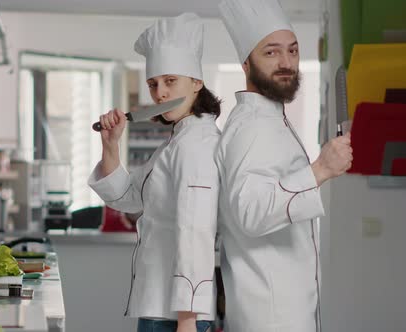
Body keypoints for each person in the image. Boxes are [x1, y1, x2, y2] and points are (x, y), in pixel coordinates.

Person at [216, 0, 353, 331]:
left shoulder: (268, 118)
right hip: (271, 316)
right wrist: (320, 169)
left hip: (280, 309)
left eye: (292, 51)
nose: (286, 62)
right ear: (246, 64)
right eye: (271, 52)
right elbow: (249, 211)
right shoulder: (252, 126)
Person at [88, 13, 222, 332]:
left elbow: (195, 231)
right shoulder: (177, 141)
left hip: (176, 314)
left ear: (197, 82)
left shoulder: (197, 145)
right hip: (161, 304)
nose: (160, 93)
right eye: (153, 84)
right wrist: (111, 145)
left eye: (170, 80)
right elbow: (129, 198)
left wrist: (188, 321)